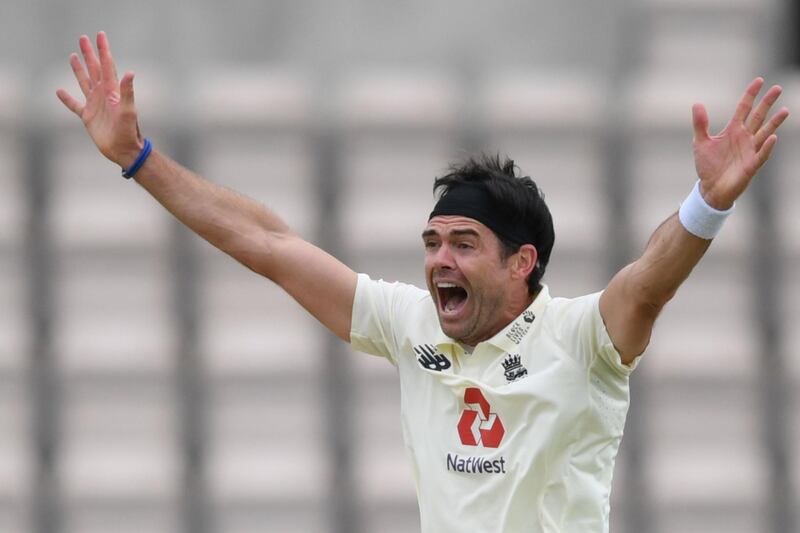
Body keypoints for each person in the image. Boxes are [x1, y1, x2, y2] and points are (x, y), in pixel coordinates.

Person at [57, 32, 789, 533]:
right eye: (432, 242)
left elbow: (650, 283)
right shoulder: (410, 324)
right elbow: (270, 245)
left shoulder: (582, 337)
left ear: (522, 262)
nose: (439, 260)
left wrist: (710, 201)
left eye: (464, 244)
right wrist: (140, 157)